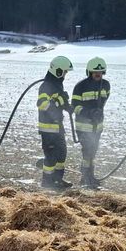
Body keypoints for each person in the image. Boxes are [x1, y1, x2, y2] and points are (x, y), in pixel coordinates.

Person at [71, 57, 109, 188]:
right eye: (95, 72)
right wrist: (89, 113)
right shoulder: (80, 86)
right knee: (87, 151)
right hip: (84, 126)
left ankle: (90, 176)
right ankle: (85, 177)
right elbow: (74, 106)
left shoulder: (106, 85)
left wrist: (98, 114)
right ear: (89, 72)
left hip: (97, 127)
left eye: (100, 72)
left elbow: (103, 102)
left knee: (93, 151)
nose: (97, 75)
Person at [36, 55, 73, 191]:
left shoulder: (57, 85)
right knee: (51, 157)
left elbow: (58, 101)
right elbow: (42, 104)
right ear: (57, 71)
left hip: (58, 127)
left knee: (62, 153)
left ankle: (57, 179)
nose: (65, 75)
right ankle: (47, 181)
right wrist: (59, 102)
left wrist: (67, 106)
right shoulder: (46, 86)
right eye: (64, 72)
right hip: (48, 128)